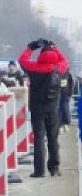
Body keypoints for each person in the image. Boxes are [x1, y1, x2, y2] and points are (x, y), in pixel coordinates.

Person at [18, 39, 68, 177]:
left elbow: (22, 60)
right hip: (53, 108)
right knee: (53, 138)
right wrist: (54, 47)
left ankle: (39, 171)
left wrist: (30, 48)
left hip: (37, 108)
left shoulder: (34, 68)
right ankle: (54, 168)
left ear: (41, 55)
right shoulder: (59, 69)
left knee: (39, 138)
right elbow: (64, 60)